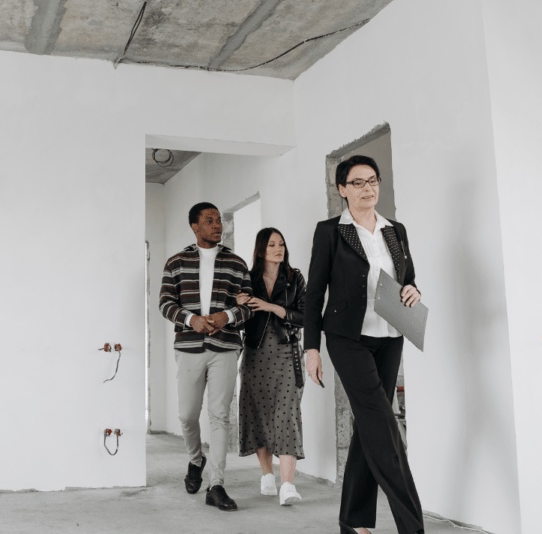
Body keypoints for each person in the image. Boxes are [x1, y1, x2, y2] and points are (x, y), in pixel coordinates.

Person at [303, 155, 425, 534]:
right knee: (385, 427)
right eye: (357, 182)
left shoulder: (395, 229)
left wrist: (411, 289)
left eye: (372, 180)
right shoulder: (329, 231)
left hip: (390, 336)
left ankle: (353, 521)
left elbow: (409, 276)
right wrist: (311, 348)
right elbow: (314, 292)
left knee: (369, 428)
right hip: (346, 338)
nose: (367, 188)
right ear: (342, 189)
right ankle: (412, 527)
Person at [159, 202, 253, 512]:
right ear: (195, 227)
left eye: (218, 220)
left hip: (225, 347)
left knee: (219, 416)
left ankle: (217, 485)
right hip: (188, 346)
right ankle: (195, 459)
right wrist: (190, 320)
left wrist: (227, 316)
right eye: (209, 221)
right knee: (187, 415)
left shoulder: (237, 263)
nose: (217, 225)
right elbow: (165, 303)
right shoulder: (176, 262)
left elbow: (248, 305)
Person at [235, 228, 307, 506]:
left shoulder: (295, 278)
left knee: (287, 414)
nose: (279, 249)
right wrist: (239, 304)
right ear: (261, 250)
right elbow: (237, 322)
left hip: (287, 352)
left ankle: (287, 484)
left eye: (282, 244)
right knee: (257, 413)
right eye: (272, 245)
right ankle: (267, 475)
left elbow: (306, 316)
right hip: (254, 355)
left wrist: (272, 307)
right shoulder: (248, 280)